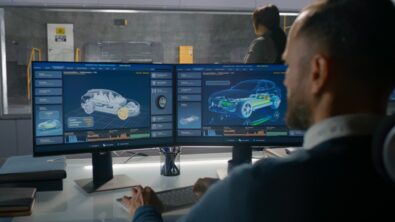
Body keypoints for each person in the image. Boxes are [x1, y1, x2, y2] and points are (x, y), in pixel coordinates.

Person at [123, 0, 395, 221]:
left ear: (318, 72)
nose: (284, 80)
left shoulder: (256, 189)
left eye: (288, 66)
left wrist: (144, 212)